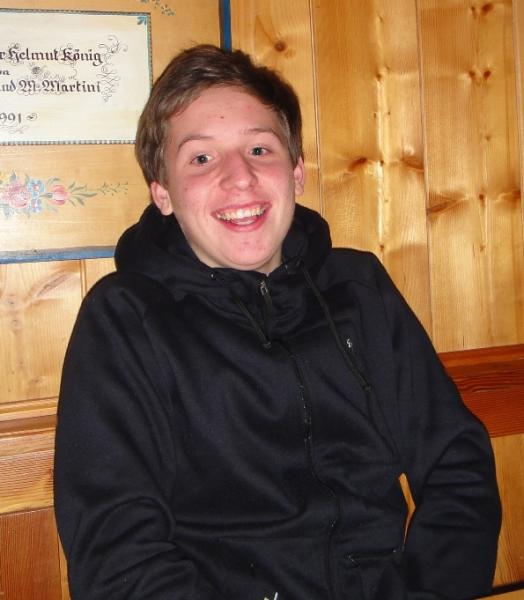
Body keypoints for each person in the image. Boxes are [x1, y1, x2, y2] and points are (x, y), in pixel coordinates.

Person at [54, 44, 501, 600]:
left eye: (259, 149)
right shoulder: (124, 319)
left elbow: (458, 463)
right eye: (201, 158)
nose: (239, 177)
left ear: (296, 173)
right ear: (162, 194)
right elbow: (117, 553)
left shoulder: (359, 289)